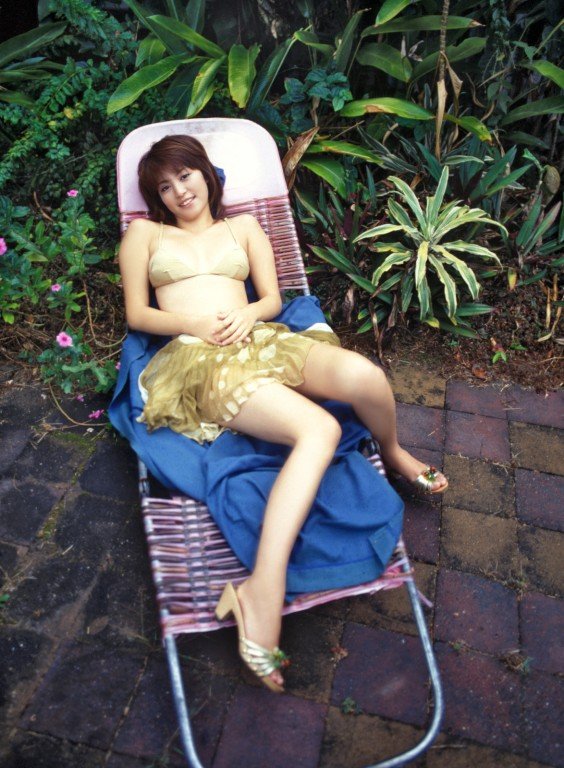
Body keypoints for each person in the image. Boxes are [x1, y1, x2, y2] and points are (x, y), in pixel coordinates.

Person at [118, 134, 448, 694]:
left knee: (365, 376)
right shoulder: (146, 235)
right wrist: (194, 325)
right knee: (318, 429)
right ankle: (261, 590)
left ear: (205, 173)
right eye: (164, 187)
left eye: (185, 176)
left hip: (260, 338)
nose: (179, 192)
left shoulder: (244, 228)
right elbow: (138, 314)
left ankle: (392, 451)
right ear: (157, 198)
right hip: (199, 361)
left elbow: (272, 299)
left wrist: (248, 314)